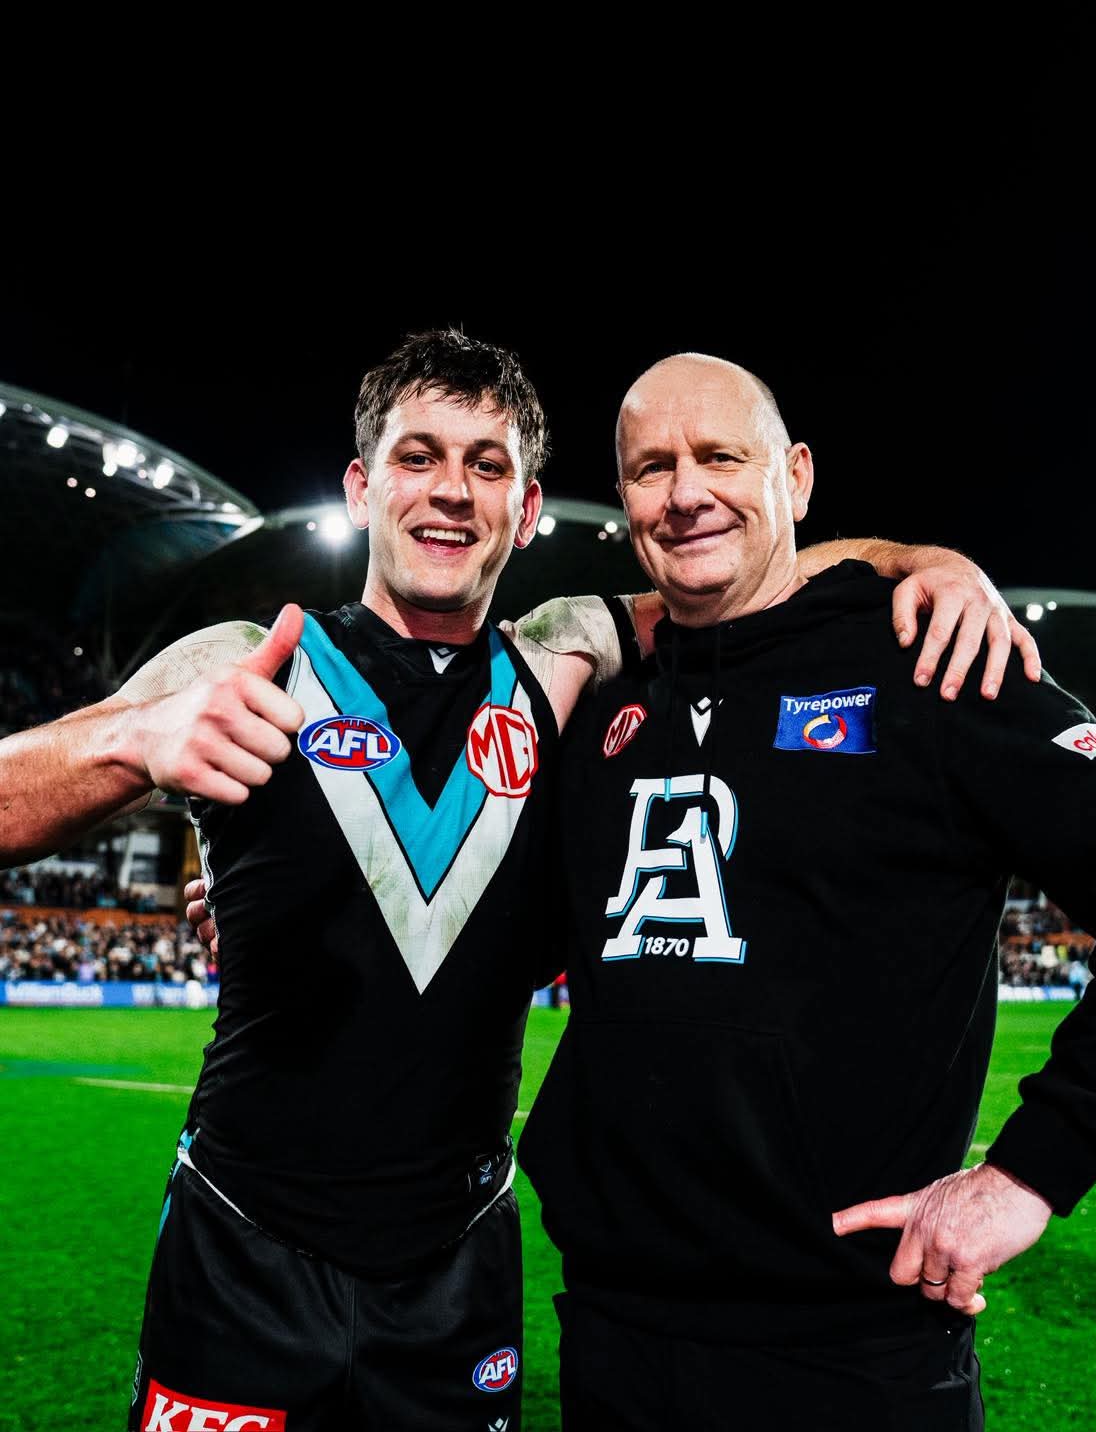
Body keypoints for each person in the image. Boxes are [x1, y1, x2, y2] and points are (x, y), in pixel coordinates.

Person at [1, 331, 1035, 1432]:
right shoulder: (246, 662)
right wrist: (132, 740)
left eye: (487, 465)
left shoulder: (562, 659)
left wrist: (924, 561)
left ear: (527, 507)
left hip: (457, 1269)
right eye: (417, 457)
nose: (452, 491)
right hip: (243, 1242)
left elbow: (757, 572)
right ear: (360, 487)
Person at [517, 353, 1096, 1431]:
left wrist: (1034, 1172)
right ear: (623, 498)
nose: (686, 492)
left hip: (855, 1357)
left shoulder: (931, 659)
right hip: (615, 1341)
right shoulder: (604, 702)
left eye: (722, 457)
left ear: (798, 477)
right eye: (652, 467)